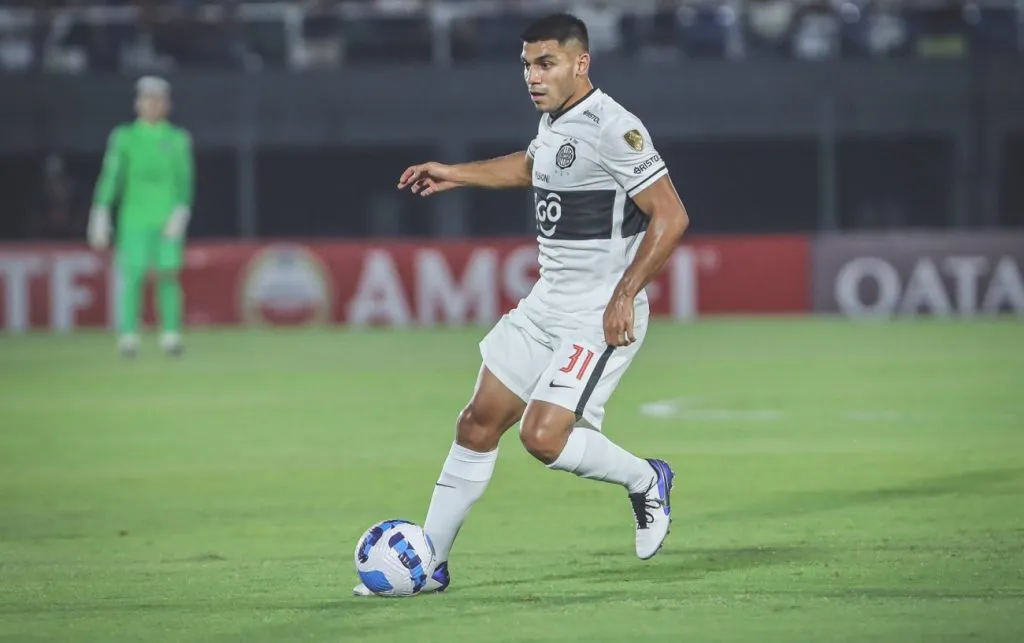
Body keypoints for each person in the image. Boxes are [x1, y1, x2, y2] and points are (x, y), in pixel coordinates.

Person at [355, 13, 690, 596]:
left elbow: (672, 214)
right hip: (545, 305)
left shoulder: (616, 127)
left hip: (598, 315)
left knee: (542, 438)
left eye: (546, 63)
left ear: (580, 63)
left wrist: (624, 294)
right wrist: (455, 174)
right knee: (477, 423)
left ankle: (646, 479)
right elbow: (534, 167)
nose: (533, 76)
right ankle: (432, 565)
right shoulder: (556, 120)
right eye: (527, 65)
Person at [87, 76, 195, 357]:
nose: (153, 105)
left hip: (166, 218)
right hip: (133, 217)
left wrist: (181, 211)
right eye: (147, 99)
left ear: (167, 104)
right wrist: (100, 210)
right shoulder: (124, 137)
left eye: (158, 99)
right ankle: (128, 335)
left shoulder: (177, 138)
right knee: (132, 275)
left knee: (168, 275)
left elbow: (185, 179)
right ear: (138, 103)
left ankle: (171, 333)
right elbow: (112, 176)